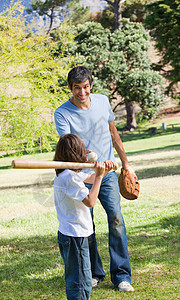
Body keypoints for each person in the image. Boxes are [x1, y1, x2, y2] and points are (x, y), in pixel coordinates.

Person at [54, 66, 135, 292]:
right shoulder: (62, 113)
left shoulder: (102, 101)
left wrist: (125, 164)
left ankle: (121, 276)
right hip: (81, 175)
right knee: (85, 226)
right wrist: (91, 158)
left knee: (116, 220)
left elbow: (113, 133)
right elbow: (69, 145)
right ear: (70, 89)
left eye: (86, 87)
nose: (82, 93)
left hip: (107, 172)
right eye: (77, 88)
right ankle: (94, 273)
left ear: (91, 85)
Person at [54, 133, 116, 300]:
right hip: (75, 235)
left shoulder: (67, 173)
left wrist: (102, 170)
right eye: (81, 151)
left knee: (82, 280)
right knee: (80, 283)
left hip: (73, 234)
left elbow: (89, 178)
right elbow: (90, 201)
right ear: (75, 154)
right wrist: (100, 177)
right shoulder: (69, 177)